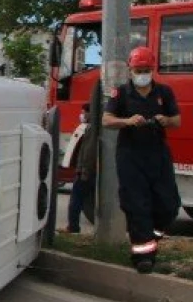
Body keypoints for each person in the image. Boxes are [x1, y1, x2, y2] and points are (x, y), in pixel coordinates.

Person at [102, 46, 181, 274]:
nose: (142, 73)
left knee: (168, 205)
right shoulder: (121, 93)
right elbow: (107, 120)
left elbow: (177, 120)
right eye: (138, 70)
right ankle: (143, 257)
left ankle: (152, 238)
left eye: (146, 69)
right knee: (137, 205)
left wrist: (165, 120)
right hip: (130, 156)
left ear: (152, 69)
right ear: (130, 69)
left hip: (158, 154)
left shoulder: (164, 93)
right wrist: (127, 121)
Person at [65, 103, 97, 233]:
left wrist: (83, 170)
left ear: (90, 113)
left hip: (86, 171)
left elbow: (88, 152)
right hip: (89, 170)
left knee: (76, 199)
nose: (82, 115)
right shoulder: (93, 127)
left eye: (84, 112)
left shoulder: (91, 129)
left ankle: (73, 227)